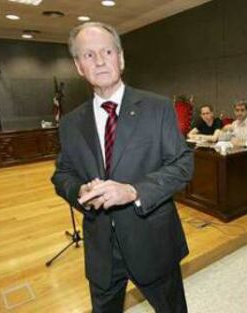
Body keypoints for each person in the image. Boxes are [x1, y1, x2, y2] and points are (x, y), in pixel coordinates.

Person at [51, 22, 193, 313]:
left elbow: (182, 164)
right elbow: (61, 174)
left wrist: (133, 191)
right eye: (89, 55)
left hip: (152, 241)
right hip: (101, 248)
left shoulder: (158, 108)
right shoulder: (69, 123)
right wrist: (79, 189)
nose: (100, 61)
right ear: (79, 66)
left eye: (107, 51)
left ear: (121, 57)